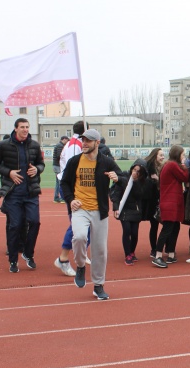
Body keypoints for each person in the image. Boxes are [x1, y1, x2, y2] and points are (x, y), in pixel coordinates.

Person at [60, 129, 125, 300]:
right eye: (83, 140)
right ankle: (81, 265)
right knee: (80, 237)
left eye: (88, 141)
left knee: (100, 250)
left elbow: (124, 179)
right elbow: (64, 183)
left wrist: (117, 178)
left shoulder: (106, 161)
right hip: (80, 208)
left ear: (97, 143)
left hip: (99, 211)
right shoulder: (75, 161)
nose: (84, 143)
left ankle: (98, 285)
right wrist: (70, 200)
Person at [0, 118, 44, 273]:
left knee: (35, 222)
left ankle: (28, 253)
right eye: (22, 127)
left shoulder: (34, 145)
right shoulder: (4, 145)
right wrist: (9, 173)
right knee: (15, 225)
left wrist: (37, 169)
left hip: (31, 192)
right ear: (15, 129)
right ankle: (13, 260)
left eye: (27, 127)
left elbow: (41, 164)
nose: (25, 130)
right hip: (13, 193)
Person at [54, 121, 90, 277]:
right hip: (73, 188)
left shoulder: (73, 143)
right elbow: (74, 168)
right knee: (78, 224)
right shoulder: (75, 145)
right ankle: (63, 259)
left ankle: (81, 252)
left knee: (86, 223)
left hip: (74, 187)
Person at [151, 145, 189, 268]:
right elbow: (184, 177)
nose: (184, 157)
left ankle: (171, 254)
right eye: (182, 155)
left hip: (172, 201)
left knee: (175, 227)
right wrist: (185, 166)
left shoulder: (169, 165)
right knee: (167, 229)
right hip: (170, 201)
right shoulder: (172, 165)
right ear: (178, 155)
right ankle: (158, 255)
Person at [112, 159, 147, 265]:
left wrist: (135, 182)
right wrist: (116, 207)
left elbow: (139, 195)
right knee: (127, 230)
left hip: (135, 210)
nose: (135, 172)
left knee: (134, 233)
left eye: (138, 171)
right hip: (124, 209)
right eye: (134, 169)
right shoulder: (124, 177)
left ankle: (132, 252)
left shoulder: (143, 182)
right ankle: (127, 254)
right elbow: (116, 194)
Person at [142, 147, 165, 258]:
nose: (163, 157)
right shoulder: (150, 167)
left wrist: (158, 180)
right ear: (155, 156)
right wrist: (156, 181)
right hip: (153, 201)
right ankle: (154, 249)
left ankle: (160, 247)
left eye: (163, 155)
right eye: (161, 155)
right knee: (154, 225)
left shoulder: (162, 167)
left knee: (164, 225)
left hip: (160, 199)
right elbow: (149, 185)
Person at [52, 136, 69, 203]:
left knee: (58, 182)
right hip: (58, 166)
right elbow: (59, 156)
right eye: (67, 140)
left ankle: (56, 197)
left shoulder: (59, 145)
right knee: (60, 182)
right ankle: (62, 197)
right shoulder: (60, 146)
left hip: (56, 166)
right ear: (64, 139)